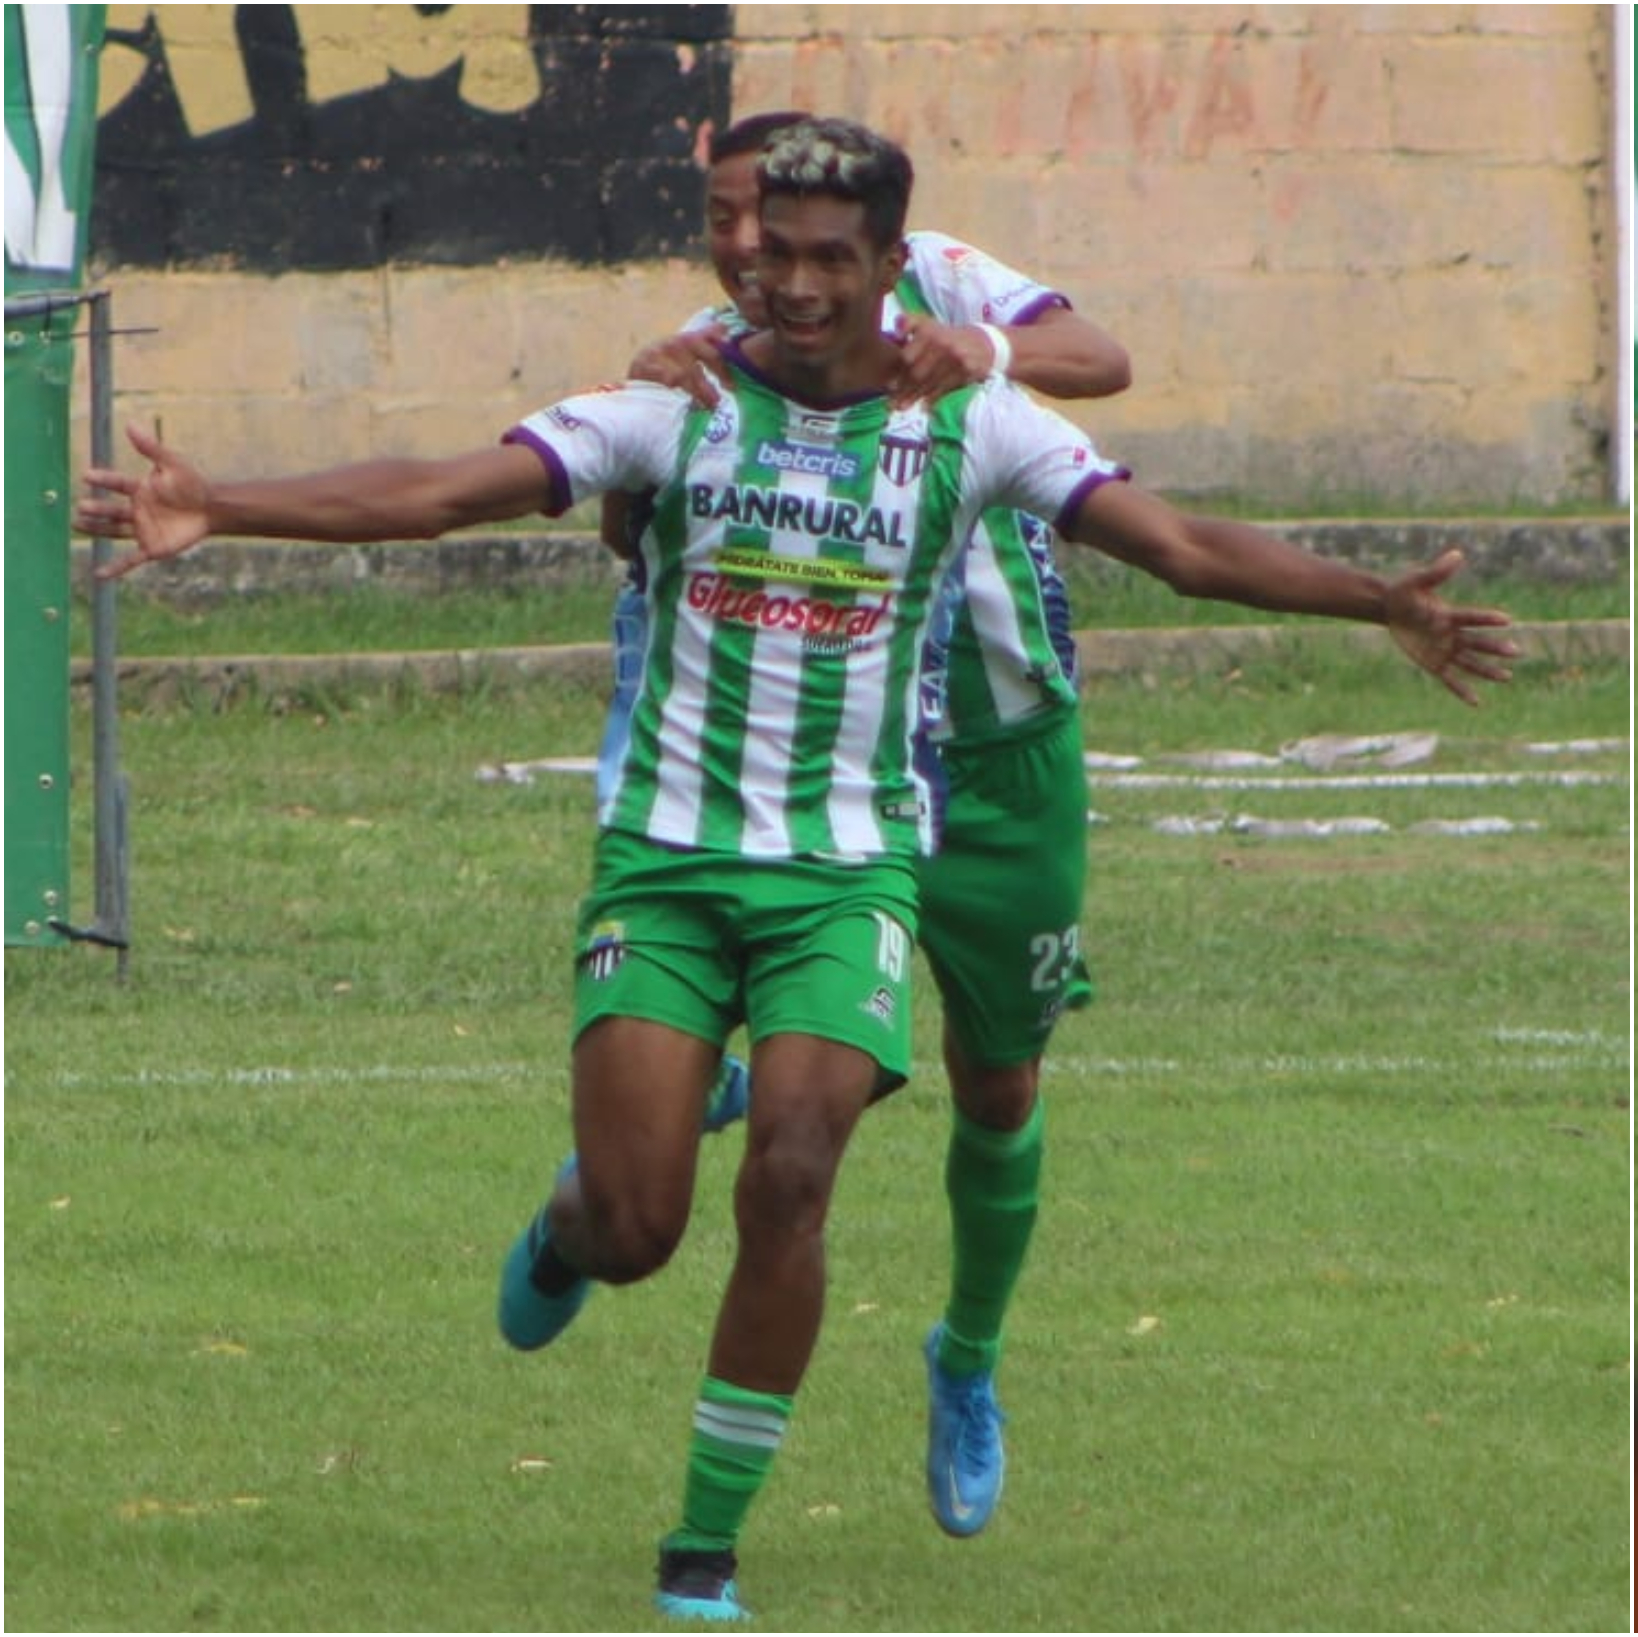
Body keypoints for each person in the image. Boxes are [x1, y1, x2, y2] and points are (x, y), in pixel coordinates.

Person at [76, 116, 1515, 1623]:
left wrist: (1374, 600)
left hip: (848, 874)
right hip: (669, 865)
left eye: (835, 259)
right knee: (639, 1228)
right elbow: (442, 491)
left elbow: (1181, 546)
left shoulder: (972, 418)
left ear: (897, 266)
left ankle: (702, 1550)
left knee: (796, 1169)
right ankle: (572, 1227)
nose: (799, 285)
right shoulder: (678, 397)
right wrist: (224, 504)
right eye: (776, 254)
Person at [592, 108, 1141, 1543]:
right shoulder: (721, 351)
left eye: (763, 224)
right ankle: (674, 1111)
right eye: (725, 230)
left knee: (1001, 1083)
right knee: (803, 1085)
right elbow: (624, 517)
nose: (748, 256)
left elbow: (1103, 359)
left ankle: (967, 1355)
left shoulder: (941, 279)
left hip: (1001, 748)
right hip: (822, 772)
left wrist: (985, 352)